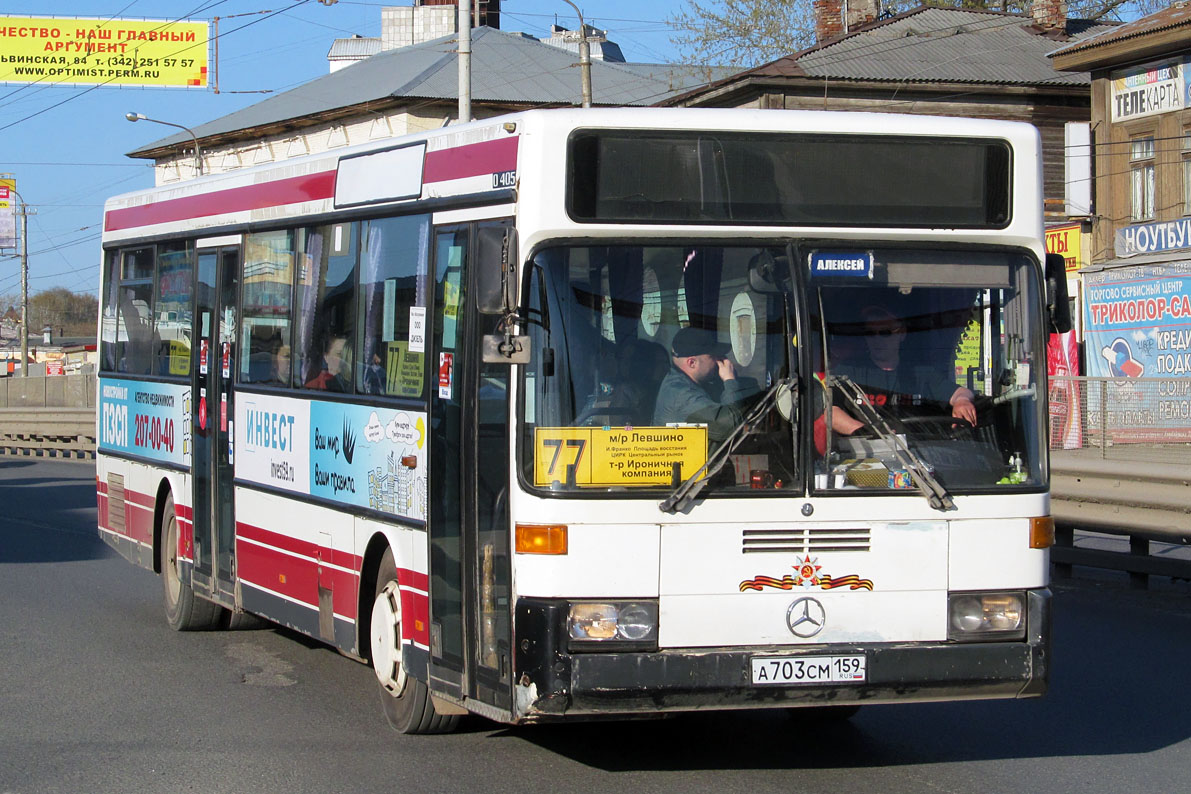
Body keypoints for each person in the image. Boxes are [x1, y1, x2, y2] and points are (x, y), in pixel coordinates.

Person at [826, 305, 977, 437]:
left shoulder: (921, 372)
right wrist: (866, 431)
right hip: (866, 456)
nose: (877, 339)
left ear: (902, 334)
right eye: (871, 333)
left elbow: (960, 393)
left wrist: (962, 401)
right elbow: (829, 412)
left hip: (918, 456)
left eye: (885, 332)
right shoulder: (849, 370)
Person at [652, 327, 751, 444]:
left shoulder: (681, 382)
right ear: (692, 363)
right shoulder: (683, 395)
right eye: (713, 356)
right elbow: (730, 426)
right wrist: (729, 380)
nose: (720, 360)